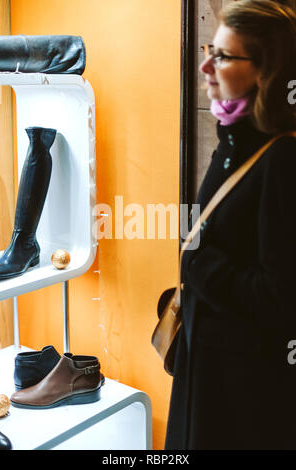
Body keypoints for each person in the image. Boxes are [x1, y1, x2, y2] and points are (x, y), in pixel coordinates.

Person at [164, 0, 296, 450]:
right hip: (206, 371)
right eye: (210, 49)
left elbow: (280, 298)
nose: (205, 65)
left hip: (242, 397)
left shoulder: (281, 158)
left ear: (266, 71)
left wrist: (199, 265)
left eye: (222, 55)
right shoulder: (233, 141)